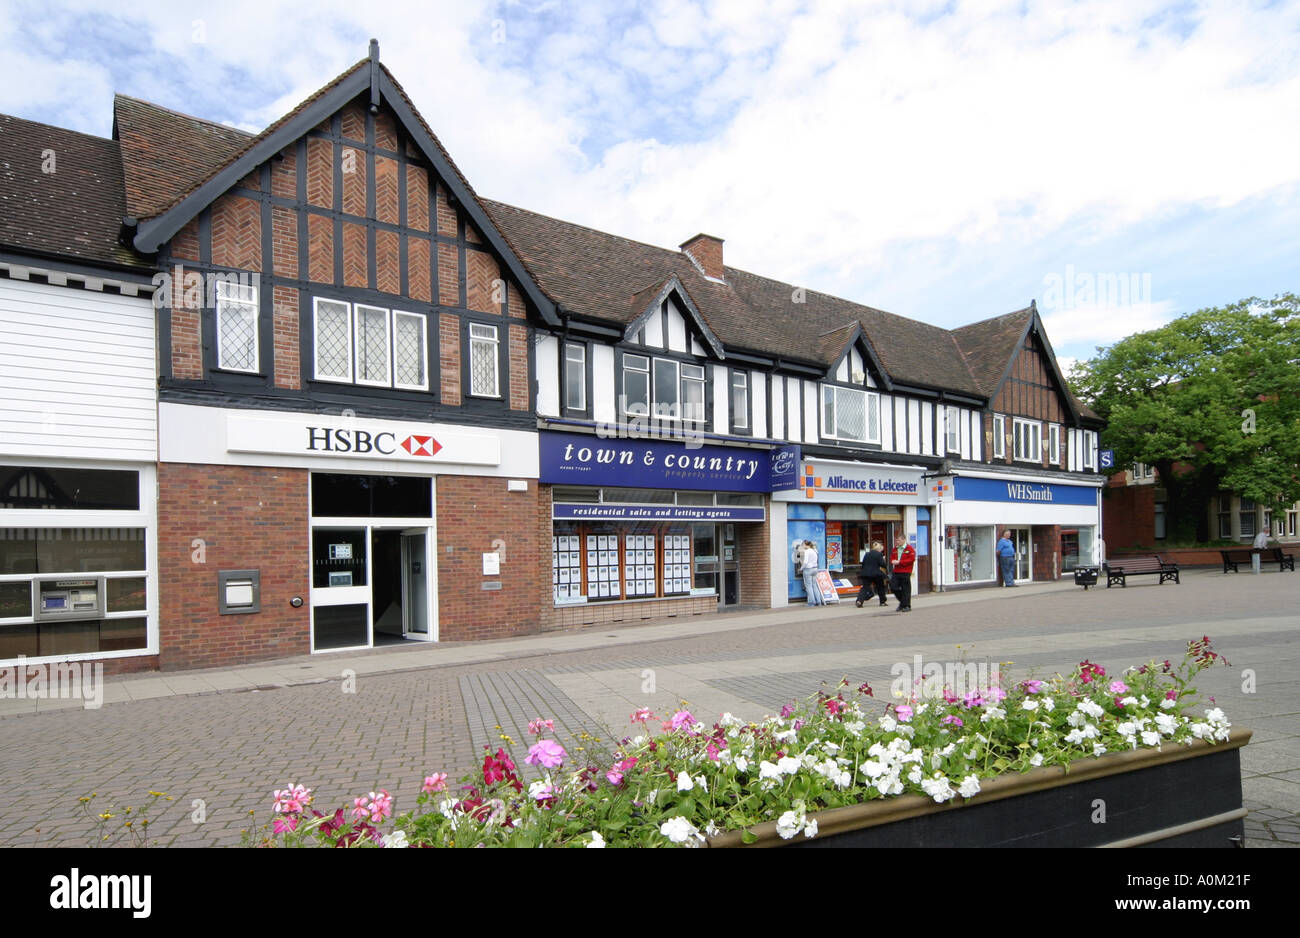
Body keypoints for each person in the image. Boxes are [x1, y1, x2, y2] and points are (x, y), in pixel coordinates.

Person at [856, 540, 888, 608]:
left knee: (865, 588)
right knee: (880, 587)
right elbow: (883, 565)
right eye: (881, 550)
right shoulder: (879, 554)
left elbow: (863, 564)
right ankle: (882, 601)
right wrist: (883, 560)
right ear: (879, 549)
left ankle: (859, 601)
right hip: (875, 574)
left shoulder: (867, 554)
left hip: (865, 573)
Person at [889, 533, 915, 612]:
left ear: (904, 540)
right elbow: (892, 557)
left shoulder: (909, 549)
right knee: (893, 587)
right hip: (896, 571)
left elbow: (911, 559)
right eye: (896, 540)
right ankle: (903, 602)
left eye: (899, 540)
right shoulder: (895, 549)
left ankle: (906, 605)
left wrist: (900, 562)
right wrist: (893, 561)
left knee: (906, 589)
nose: (897, 542)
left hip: (906, 571)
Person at [802, 540, 824, 606]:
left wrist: (801, 568)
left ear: (806, 544)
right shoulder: (815, 550)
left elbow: (805, 562)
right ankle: (819, 601)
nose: (802, 546)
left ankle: (812, 602)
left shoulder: (807, 551)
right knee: (814, 585)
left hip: (808, 570)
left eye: (803, 544)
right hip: (815, 569)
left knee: (808, 586)